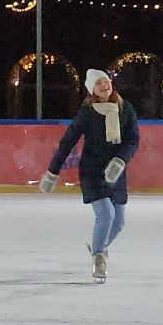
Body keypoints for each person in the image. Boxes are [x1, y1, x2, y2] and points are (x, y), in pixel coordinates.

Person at [39, 68, 140, 283]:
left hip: (116, 171)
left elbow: (133, 140)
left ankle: (98, 246)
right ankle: (99, 258)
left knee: (119, 222)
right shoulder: (87, 112)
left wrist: (120, 160)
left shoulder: (126, 109)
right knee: (106, 214)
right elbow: (68, 141)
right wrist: (52, 171)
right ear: (92, 89)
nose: (104, 85)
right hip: (93, 171)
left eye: (106, 81)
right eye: (98, 83)